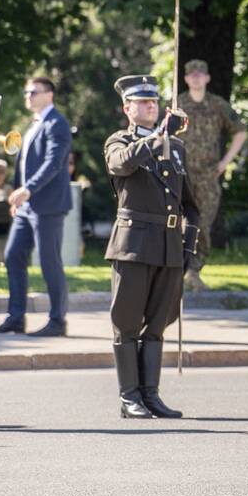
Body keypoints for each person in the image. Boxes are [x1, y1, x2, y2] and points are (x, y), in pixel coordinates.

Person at [104, 75, 199, 418]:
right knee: (127, 322)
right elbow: (121, 164)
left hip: (167, 246)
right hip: (133, 243)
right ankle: (130, 397)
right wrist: (159, 136)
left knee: (157, 323)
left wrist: (188, 244)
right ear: (127, 108)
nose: (150, 106)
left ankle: (151, 395)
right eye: (142, 102)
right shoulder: (119, 141)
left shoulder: (177, 148)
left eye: (154, 102)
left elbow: (190, 205)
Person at [0, 77, 72, 338]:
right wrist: (17, 194)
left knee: (50, 263)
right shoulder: (34, 124)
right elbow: (24, 164)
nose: (28, 95)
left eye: (33, 91)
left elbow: (54, 163)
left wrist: (29, 189)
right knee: (13, 256)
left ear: (49, 95)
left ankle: (57, 321)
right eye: (27, 91)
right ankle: (16, 318)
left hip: (47, 206)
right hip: (27, 206)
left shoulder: (57, 123)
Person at [176, 59, 248, 291]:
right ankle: (178, 268)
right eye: (191, 74)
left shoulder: (217, 104)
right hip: (181, 173)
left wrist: (225, 162)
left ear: (207, 78)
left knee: (203, 223)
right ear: (186, 78)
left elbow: (241, 131)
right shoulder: (178, 104)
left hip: (208, 175)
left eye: (200, 74)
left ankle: (194, 270)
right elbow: (161, 134)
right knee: (178, 222)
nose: (196, 77)